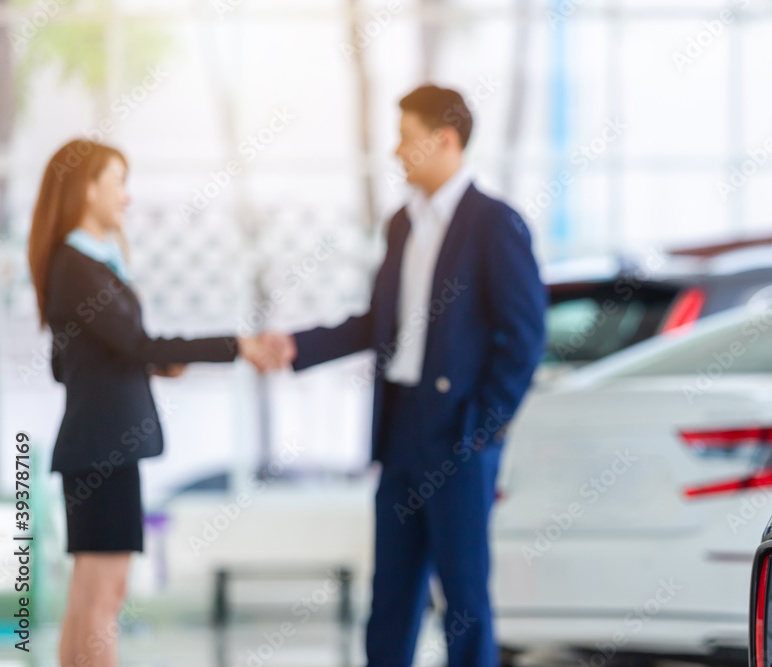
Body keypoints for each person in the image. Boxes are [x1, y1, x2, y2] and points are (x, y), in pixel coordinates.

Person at [262, 85, 547, 666]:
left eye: (405, 139)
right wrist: (297, 346)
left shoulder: (494, 224)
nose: (395, 152)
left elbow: (524, 338)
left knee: (463, 596)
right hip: (399, 428)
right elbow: (378, 325)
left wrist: (481, 426)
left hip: (457, 431)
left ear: (444, 140)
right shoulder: (401, 225)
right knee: (391, 593)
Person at [26, 139, 289, 667]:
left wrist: (146, 362)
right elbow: (134, 344)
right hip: (102, 449)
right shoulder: (79, 266)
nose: (127, 195)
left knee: (90, 595)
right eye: (118, 181)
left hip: (97, 448)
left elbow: (76, 361)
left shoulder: (85, 264)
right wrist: (236, 345)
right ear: (87, 186)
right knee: (104, 597)